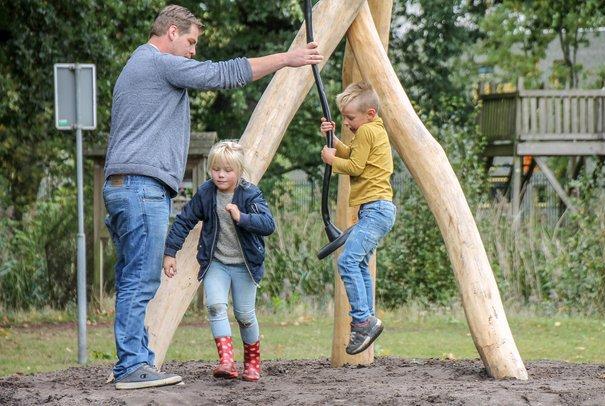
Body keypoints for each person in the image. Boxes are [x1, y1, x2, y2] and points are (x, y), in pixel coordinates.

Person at [103, 4, 322, 390]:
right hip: (141, 189)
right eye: (189, 41)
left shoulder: (136, 66)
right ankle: (131, 366)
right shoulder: (157, 62)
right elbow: (223, 74)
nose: (192, 50)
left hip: (124, 187)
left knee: (131, 277)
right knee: (141, 279)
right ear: (171, 32)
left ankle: (136, 359)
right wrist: (288, 59)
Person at [163, 141, 274, 382]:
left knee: (244, 315)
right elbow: (184, 221)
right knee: (215, 306)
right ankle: (227, 362)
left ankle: (252, 362)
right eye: (216, 169)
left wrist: (241, 217)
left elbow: (268, 225)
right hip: (217, 263)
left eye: (227, 170)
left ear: (239, 171)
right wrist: (170, 252)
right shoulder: (206, 193)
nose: (220, 174)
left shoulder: (250, 193)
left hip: (245, 265)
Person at [318, 81, 396, 355]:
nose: (348, 122)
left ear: (370, 114)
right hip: (378, 210)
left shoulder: (366, 132)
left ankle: (363, 320)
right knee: (359, 262)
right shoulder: (375, 131)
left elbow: (354, 166)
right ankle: (367, 318)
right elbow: (353, 155)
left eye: (350, 118)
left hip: (376, 209)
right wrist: (335, 142)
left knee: (348, 261)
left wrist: (330, 159)